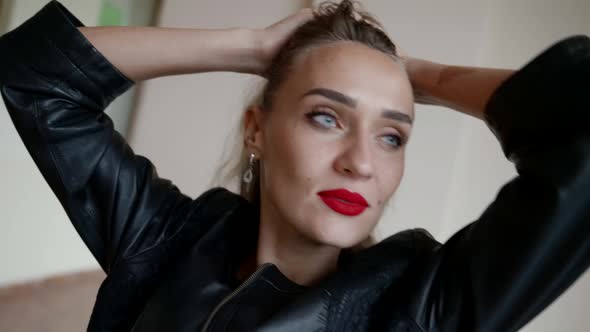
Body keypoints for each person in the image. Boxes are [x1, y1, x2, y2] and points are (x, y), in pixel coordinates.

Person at [1, 0, 588, 331]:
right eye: (327, 118)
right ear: (257, 131)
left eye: (391, 135)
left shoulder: (427, 306)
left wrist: (424, 76)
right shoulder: (166, 240)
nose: (360, 162)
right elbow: (36, 75)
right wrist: (253, 47)